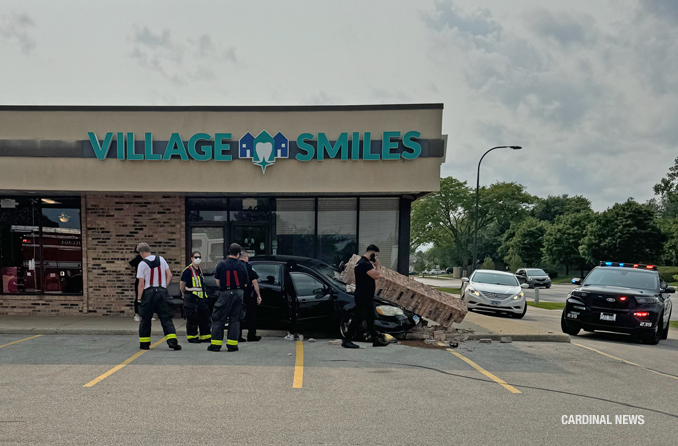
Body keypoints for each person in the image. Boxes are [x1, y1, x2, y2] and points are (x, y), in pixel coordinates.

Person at [135, 242, 181, 351]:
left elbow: (141, 283)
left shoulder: (142, 264)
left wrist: (139, 298)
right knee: (166, 318)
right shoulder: (161, 259)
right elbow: (169, 275)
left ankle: (144, 344)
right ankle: (172, 341)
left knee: (146, 319)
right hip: (161, 291)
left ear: (141, 253)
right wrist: (163, 286)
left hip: (148, 292)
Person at [342, 244, 389, 348]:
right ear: (372, 253)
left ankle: (375, 339)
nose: (376, 258)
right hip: (364, 295)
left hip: (365, 295)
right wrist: (377, 266)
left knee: (370, 318)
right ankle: (347, 340)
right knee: (358, 317)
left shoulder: (361, 263)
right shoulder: (364, 263)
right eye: (375, 255)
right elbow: (377, 275)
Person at [208, 243, 249, 352]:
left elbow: (217, 280)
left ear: (229, 252)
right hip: (239, 294)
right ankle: (232, 345)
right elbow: (246, 283)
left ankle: (216, 345)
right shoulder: (242, 265)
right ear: (238, 254)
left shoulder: (221, 264)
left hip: (225, 293)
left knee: (219, 319)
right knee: (235, 319)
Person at [180, 251, 212, 344]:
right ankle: (192, 336)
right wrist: (182, 293)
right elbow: (182, 284)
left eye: (199, 257)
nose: (198, 259)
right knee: (192, 317)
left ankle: (205, 336)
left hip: (201, 297)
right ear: (191, 258)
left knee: (204, 317)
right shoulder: (187, 270)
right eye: (195, 257)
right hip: (191, 296)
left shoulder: (199, 269)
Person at [239, 252, 262, 342]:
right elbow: (254, 282)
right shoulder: (248, 267)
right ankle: (251, 335)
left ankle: (238, 335)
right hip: (248, 295)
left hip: (236, 294)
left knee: (238, 315)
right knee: (251, 315)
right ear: (245, 257)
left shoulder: (235, 266)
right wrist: (258, 295)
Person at [129, 249, 143, 322]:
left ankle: (148, 314)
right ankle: (137, 314)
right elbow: (130, 264)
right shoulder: (138, 258)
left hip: (147, 279)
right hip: (139, 279)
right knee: (138, 296)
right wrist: (136, 271)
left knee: (148, 297)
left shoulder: (148, 259)